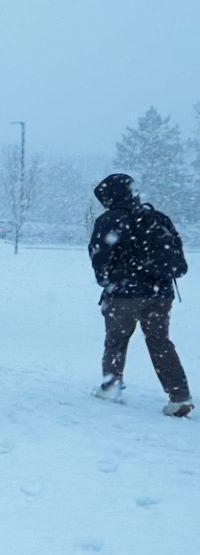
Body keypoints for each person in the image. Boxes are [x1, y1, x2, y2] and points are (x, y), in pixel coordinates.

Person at [88, 173, 194, 417]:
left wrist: (108, 280)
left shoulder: (109, 220)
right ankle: (179, 396)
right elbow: (179, 262)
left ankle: (111, 386)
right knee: (160, 342)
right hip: (160, 294)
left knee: (116, 340)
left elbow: (99, 257)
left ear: (110, 196)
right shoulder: (158, 219)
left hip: (123, 294)